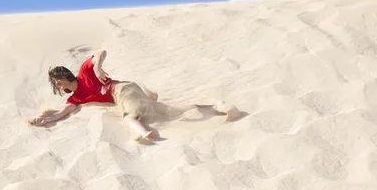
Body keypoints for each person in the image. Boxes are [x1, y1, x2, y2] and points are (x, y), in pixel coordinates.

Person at [28, 49, 241, 140]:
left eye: (57, 78)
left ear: (65, 75)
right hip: (130, 97)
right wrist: (44, 119)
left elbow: (101, 52)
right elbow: (63, 113)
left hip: (122, 90)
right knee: (172, 112)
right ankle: (216, 107)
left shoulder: (85, 71)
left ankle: (144, 133)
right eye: (54, 82)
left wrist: (98, 68)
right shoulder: (74, 99)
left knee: (129, 117)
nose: (56, 82)